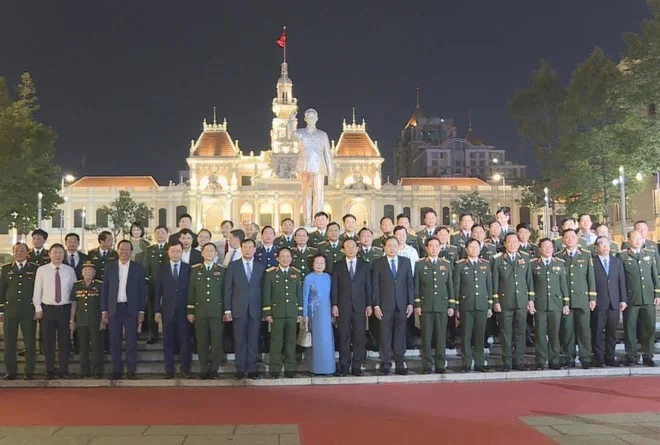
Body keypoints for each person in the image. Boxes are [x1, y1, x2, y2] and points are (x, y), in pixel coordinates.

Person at [101, 240, 146, 380]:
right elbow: (105, 290)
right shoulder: (111, 267)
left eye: (127, 249)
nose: (124, 252)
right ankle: (117, 369)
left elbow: (142, 291)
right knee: (115, 341)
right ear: (117, 250)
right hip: (114, 308)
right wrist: (104, 310)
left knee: (132, 341)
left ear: (131, 251)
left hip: (131, 308)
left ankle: (131, 370)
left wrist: (141, 311)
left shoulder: (137, 268)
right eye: (121, 249)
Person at [33, 243, 77, 379]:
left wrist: (72, 316)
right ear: (49, 254)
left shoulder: (69, 270)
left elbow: (74, 292)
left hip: (64, 309)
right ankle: (49, 370)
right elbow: (37, 291)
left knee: (64, 341)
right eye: (55, 252)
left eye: (60, 252)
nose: (57, 255)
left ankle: (64, 369)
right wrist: (38, 308)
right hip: (47, 310)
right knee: (48, 341)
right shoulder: (42, 270)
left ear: (64, 255)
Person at [224, 238, 266, 379]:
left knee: (253, 340)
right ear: (241, 248)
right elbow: (228, 289)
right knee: (239, 341)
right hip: (238, 309)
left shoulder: (261, 266)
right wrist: (227, 310)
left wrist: (266, 310)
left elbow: (264, 290)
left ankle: (252, 369)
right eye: (245, 247)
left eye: (250, 247)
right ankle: (240, 369)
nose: (248, 250)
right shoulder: (233, 266)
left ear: (255, 249)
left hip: (255, 309)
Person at [371, 236, 414, 375]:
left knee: (401, 333)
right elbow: (375, 286)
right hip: (384, 305)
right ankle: (386, 362)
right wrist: (376, 305)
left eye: (394, 245)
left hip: (402, 305)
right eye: (389, 245)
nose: (392, 248)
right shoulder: (378, 263)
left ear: (398, 247)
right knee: (385, 334)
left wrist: (410, 303)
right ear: (384, 247)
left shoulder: (405, 262)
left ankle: (400, 362)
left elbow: (409, 284)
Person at [492, 233, 534, 371]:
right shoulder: (498, 260)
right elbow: (495, 282)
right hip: (505, 301)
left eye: (515, 242)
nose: (513, 244)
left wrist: (530, 300)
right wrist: (496, 300)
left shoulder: (525, 258)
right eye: (510, 242)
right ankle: (507, 361)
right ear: (505, 244)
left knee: (521, 332)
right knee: (506, 332)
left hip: (521, 301)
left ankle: (519, 360)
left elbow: (529, 281)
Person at [554, 229, 596, 369]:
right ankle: (568, 357)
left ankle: (585, 357)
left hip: (582, 298)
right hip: (566, 300)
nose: (570, 239)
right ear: (563, 240)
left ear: (577, 239)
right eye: (567, 237)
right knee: (567, 330)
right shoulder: (558, 257)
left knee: (584, 330)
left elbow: (590, 277)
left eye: (572, 237)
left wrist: (592, 297)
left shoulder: (585, 255)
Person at [618, 230, 660, 366]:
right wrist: (622, 298)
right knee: (630, 328)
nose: (638, 241)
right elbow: (621, 279)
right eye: (634, 238)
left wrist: (657, 294)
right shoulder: (622, 256)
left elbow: (655, 276)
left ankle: (648, 355)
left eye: (640, 238)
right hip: (631, 298)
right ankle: (631, 355)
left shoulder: (650, 254)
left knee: (649, 327)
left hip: (648, 298)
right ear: (628, 240)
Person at [414, 237, 454, 374]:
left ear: (440, 248)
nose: (434, 248)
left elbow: (450, 286)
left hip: (442, 306)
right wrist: (417, 304)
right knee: (426, 337)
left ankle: (440, 364)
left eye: (436, 246)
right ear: (426, 248)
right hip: (425, 306)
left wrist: (451, 305)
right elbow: (416, 286)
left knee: (441, 336)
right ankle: (427, 364)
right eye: (431, 246)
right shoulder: (419, 265)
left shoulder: (446, 264)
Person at [331, 240, 371, 376]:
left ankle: (357, 366)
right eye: (347, 247)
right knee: (344, 336)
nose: (351, 249)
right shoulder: (337, 266)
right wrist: (334, 304)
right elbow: (334, 287)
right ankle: (344, 366)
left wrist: (369, 305)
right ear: (343, 250)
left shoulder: (364, 265)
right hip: (343, 306)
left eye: (353, 246)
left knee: (359, 337)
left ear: (357, 248)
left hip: (360, 306)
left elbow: (368, 287)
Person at [289, 108, 334, 226]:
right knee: (306, 195)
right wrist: (291, 121)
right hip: (304, 166)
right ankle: (308, 221)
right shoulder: (300, 133)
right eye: (309, 117)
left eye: (313, 117)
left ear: (317, 118)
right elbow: (291, 135)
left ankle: (318, 221)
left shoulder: (322, 134)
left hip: (319, 167)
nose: (311, 119)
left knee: (319, 194)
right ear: (305, 119)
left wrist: (331, 171)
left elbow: (327, 153)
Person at [263, 247, 303, 378]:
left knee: (291, 341)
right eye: (283, 256)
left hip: (292, 313)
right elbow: (266, 294)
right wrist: (267, 312)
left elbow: (299, 294)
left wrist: (299, 312)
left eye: (288, 257)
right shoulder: (270, 273)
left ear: (291, 258)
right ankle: (275, 368)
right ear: (277, 258)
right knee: (276, 341)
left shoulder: (296, 273)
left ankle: (290, 368)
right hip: (277, 313)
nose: (285, 259)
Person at [454, 239, 493, 372]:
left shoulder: (485, 265)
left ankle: (479, 363)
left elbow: (489, 286)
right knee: (466, 335)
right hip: (466, 305)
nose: (474, 249)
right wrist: (457, 307)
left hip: (482, 304)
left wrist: (489, 306)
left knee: (480, 335)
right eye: (471, 247)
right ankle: (466, 362)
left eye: (476, 247)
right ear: (466, 249)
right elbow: (457, 287)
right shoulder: (460, 265)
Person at [0, 243, 38, 380]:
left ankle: (29, 371)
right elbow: (1, 290)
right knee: (10, 342)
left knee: (30, 342)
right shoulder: (6, 269)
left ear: (28, 252)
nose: (19, 253)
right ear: (13, 252)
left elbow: (38, 290)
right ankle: (11, 371)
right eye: (16, 250)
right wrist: (1, 310)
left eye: (22, 250)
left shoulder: (34, 268)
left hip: (28, 310)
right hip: (11, 310)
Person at [188, 243, 226, 379]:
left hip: (217, 312)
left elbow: (225, 292)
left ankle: (214, 369)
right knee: (202, 342)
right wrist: (190, 311)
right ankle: (203, 368)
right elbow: (191, 291)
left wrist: (226, 311)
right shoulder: (195, 270)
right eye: (206, 250)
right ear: (202, 253)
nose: (209, 253)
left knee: (216, 342)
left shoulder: (222, 271)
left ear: (216, 254)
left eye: (212, 251)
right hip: (200, 312)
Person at [155, 242, 192, 379]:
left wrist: (191, 310)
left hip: (184, 311)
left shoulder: (188, 268)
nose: (175, 253)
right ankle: (169, 370)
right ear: (168, 252)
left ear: (182, 252)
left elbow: (191, 291)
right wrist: (157, 310)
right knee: (168, 341)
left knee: (184, 340)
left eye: (178, 251)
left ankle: (185, 369)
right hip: (167, 310)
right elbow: (157, 291)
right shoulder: (162, 269)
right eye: (173, 251)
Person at [530, 238, 568, 370]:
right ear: (539, 249)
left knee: (554, 333)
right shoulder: (533, 264)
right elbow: (531, 285)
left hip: (556, 303)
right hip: (540, 303)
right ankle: (540, 360)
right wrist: (531, 302)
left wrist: (566, 303)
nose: (547, 249)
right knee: (540, 333)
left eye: (550, 247)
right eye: (545, 246)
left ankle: (554, 360)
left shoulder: (560, 263)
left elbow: (563, 285)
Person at [591, 236, 627, 367]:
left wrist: (623, 299)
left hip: (614, 302)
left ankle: (610, 357)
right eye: (601, 244)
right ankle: (598, 358)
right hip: (599, 303)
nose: (605, 246)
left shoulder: (617, 261)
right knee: (597, 332)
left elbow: (621, 281)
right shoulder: (592, 262)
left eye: (607, 244)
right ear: (596, 248)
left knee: (612, 332)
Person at [69, 261, 104, 378]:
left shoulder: (99, 285)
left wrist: (103, 320)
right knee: (82, 347)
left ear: (94, 273)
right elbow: (74, 303)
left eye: (90, 270)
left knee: (96, 347)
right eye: (85, 270)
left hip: (95, 320)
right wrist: (71, 320)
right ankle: (84, 371)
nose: (88, 272)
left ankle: (97, 371)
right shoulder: (77, 285)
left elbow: (103, 304)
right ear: (82, 273)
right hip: (81, 320)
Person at [142, 225, 169, 345]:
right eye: (158, 233)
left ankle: (168, 334)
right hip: (153, 285)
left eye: (163, 233)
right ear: (154, 235)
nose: (160, 235)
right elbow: (146, 266)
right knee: (152, 310)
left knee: (168, 310)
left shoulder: (171, 248)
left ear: (167, 234)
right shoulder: (150, 249)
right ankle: (153, 334)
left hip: (168, 284)